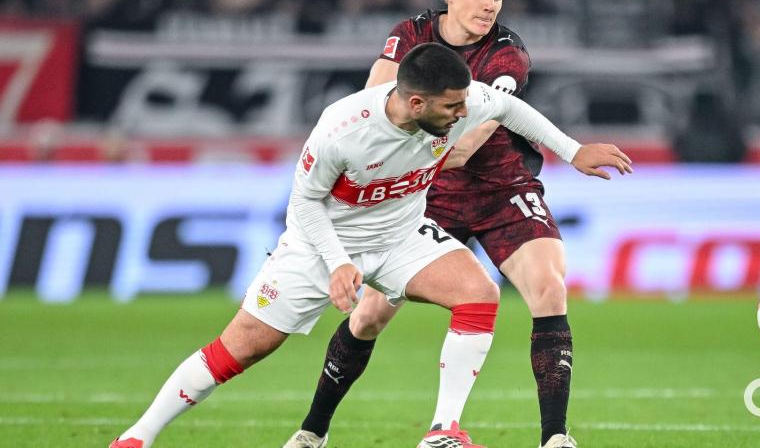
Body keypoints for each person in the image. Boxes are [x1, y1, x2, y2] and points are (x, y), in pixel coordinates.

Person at [110, 43, 632, 448]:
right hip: (322, 246)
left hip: (401, 234)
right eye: (450, 108)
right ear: (416, 101)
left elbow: (515, 112)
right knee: (239, 349)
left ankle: (443, 429)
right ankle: (138, 435)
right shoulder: (342, 128)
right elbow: (305, 205)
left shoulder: (459, 100)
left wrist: (571, 151)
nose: (461, 116)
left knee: (478, 294)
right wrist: (337, 264)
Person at [285, 0, 602, 448]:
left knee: (549, 287)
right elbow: (374, 99)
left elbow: (466, 143)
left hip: (502, 188)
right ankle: (312, 431)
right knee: (368, 316)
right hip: (425, 194)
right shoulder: (408, 35)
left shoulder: (508, 53)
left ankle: (555, 438)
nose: (489, 5)